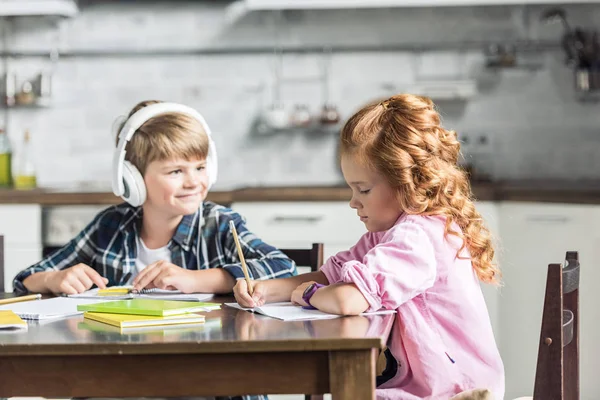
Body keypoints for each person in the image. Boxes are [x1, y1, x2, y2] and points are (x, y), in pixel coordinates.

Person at [234, 94, 505, 399]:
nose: (353, 201)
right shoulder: (393, 231)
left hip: (455, 390)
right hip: (436, 383)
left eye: (363, 189)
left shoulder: (417, 237)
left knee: (348, 391)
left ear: (406, 182)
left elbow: (348, 300)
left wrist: (308, 294)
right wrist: (267, 289)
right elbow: (333, 275)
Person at [14, 100, 296, 300]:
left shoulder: (218, 224)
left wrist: (196, 280)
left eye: (199, 167)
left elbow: (284, 268)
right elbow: (27, 278)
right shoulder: (111, 225)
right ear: (132, 180)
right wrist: (53, 279)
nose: (194, 181)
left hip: (207, 366)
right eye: (176, 171)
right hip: (127, 365)